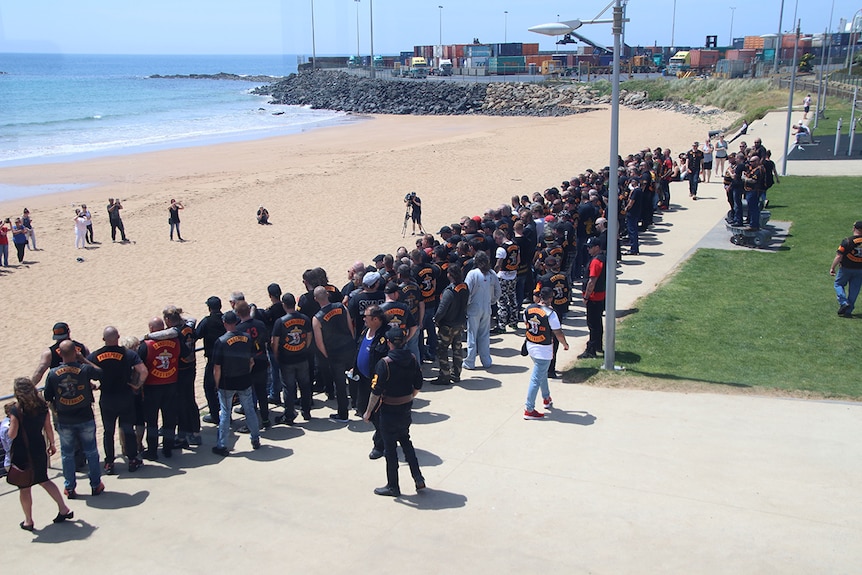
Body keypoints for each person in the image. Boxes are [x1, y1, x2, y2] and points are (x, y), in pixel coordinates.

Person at [362, 327, 425, 497]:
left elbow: (375, 391)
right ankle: (418, 477)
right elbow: (418, 385)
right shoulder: (412, 359)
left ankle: (393, 486)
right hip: (405, 410)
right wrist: (408, 397)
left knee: (390, 450)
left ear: (389, 343)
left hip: (388, 412)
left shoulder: (385, 364)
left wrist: (368, 412)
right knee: (406, 442)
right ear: (404, 341)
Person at [8, 377, 74, 531]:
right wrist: (52, 444)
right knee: (44, 480)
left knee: (24, 487)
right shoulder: (42, 406)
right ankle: (63, 508)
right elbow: (48, 428)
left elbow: (12, 434)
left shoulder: (16, 410)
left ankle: (28, 521)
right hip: (39, 448)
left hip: (22, 452)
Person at [43, 339, 105, 499]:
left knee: (67, 455)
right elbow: (99, 373)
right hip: (85, 416)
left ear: (59, 354)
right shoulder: (84, 369)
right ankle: (95, 484)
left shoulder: (52, 374)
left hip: (65, 419)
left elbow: (48, 396)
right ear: (75, 352)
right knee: (91, 451)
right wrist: (83, 359)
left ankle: (70, 487)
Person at [88, 327, 148, 474]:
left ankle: (109, 462)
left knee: (108, 431)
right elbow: (143, 371)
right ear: (118, 337)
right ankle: (133, 459)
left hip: (107, 398)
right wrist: (137, 385)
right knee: (128, 429)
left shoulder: (96, 355)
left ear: (103, 339)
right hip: (125, 396)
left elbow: (83, 372)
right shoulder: (128, 354)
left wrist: (92, 386)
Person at [211, 310, 260, 455]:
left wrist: (216, 383)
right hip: (244, 378)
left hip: (227, 382)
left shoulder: (220, 341)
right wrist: (246, 373)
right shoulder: (247, 338)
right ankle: (255, 438)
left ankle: (222, 445)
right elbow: (251, 361)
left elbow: (217, 368)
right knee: (249, 409)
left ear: (224, 323)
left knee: (225, 412)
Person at [138, 317, 183, 460]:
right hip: (171, 384)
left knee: (152, 421)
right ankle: (168, 448)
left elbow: (138, 364)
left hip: (152, 387)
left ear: (151, 329)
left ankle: (152, 451)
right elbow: (186, 353)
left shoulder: (146, 345)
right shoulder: (176, 341)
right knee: (169, 418)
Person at [522, 287, 569, 420]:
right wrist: (565, 344)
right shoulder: (551, 314)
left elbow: (527, 324)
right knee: (536, 378)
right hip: (544, 349)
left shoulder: (528, 309)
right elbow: (558, 332)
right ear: (550, 298)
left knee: (541, 373)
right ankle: (529, 409)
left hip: (531, 345)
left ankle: (546, 398)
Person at [312, 285, 356, 422]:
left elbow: (319, 343)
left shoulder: (317, 318)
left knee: (340, 384)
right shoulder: (342, 307)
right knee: (355, 378)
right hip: (348, 347)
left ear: (315, 299)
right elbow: (351, 327)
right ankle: (357, 404)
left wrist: (327, 355)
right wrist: (351, 343)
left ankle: (343, 414)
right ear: (328, 295)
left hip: (334, 353)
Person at [271, 293, 314, 423]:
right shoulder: (305, 318)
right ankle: (306, 412)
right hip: (302, 357)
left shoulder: (280, 322)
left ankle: (289, 415)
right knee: (305, 386)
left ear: (284, 305)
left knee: (288, 388)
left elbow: (275, 342)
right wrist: (304, 348)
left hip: (287, 359)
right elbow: (309, 335)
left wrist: (276, 355)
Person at [353, 304, 389, 458]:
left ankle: (380, 444)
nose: (363, 319)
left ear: (375, 319)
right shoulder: (365, 330)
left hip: (377, 383)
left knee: (377, 413)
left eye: (366, 317)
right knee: (362, 408)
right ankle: (383, 435)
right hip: (362, 379)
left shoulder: (385, 336)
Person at [463, 250, 501, 370]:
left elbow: (466, 292)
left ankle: (470, 361)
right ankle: (486, 361)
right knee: (484, 335)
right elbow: (498, 291)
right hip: (487, 307)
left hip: (474, 307)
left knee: (472, 335)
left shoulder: (472, 274)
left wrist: (466, 305)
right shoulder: (492, 274)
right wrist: (492, 301)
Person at [433, 265, 469, 386]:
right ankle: (456, 374)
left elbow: (441, 310)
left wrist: (436, 320)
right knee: (457, 349)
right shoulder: (464, 287)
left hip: (447, 325)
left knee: (442, 350)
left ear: (450, 275)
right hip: (459, 323)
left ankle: (445, 375)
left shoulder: (449, 291)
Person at [196, 296, 226, 425]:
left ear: (209, 308)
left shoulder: (207, 321)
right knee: (225, 388)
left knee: (209, 387)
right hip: (228, 359)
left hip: (213, 360)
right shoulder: (226, 319)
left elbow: (196, 335)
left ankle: (215, 415)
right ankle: (226, 414)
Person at [579, 237, 607, 359]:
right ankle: (598, 346)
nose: (588, 249)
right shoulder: (602, 258)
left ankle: (591, 350)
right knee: (597, 323)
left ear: (597, 247)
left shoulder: (596, 261)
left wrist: (586, 296)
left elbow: (592, 281)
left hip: (594, 297)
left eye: (590, 247)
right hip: (600, 296)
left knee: (593, 324)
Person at [830, 221, 862, 318]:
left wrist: (832, 267)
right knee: (854, 289)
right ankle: (848, 311)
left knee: (838, 284)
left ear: (854, 228)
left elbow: (839, 256)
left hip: (846, 269)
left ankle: (843, 302)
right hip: (860, 270)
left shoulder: (847, 241)